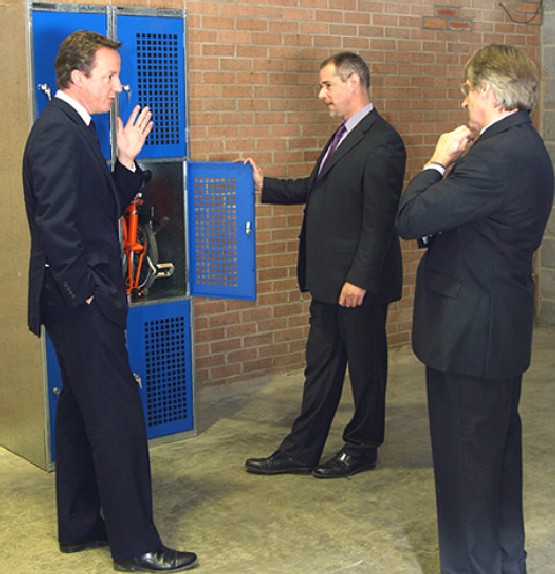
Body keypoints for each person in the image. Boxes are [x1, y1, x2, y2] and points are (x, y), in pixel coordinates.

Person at [22, 30, 197, 572]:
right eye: (110, 76)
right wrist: (91, 294)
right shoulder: (57, 133)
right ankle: (136, 544)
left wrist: (124, 160)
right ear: (77, 77)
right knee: (119, 419)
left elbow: (97, 210)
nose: (118, 87)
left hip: (77, 300)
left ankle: (79, 525)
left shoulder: (78, 128)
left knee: (77, 414)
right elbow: (56, 229)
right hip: (81, 303)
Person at [396, 44, 554, 574]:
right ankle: (507, 562)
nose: (464, 102)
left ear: (487, 92)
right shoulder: (527, 145)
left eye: (467, 91)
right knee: (497, 464)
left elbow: (412, 215)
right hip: (496, 330)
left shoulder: (493, 156)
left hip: (468, 338)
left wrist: (439, 160)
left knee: (466, 472)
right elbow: (474, 225)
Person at [242, 52, 406, 479]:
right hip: (328, 281)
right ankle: (301, 450)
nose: (321, 95)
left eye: (327, 85)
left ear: (353, 82)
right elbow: (316, 189)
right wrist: (265, 186)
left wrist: (359, 279)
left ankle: (363, 447)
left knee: (366, 369)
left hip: (356, 284)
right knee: (321, 367)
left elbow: (379, 222)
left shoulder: (383, 141)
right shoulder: (344, 136)